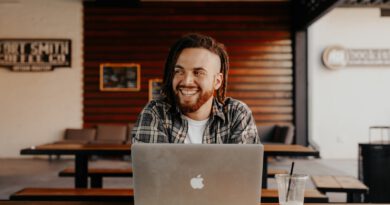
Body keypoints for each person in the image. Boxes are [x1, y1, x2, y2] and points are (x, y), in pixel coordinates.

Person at [132, 33, 259, 144]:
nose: (187, 81)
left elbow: (242, 171)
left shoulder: (237, 114)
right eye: (179, 71)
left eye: (198, 72)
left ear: (217, 81)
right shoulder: (155, 113)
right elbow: (154, 170)